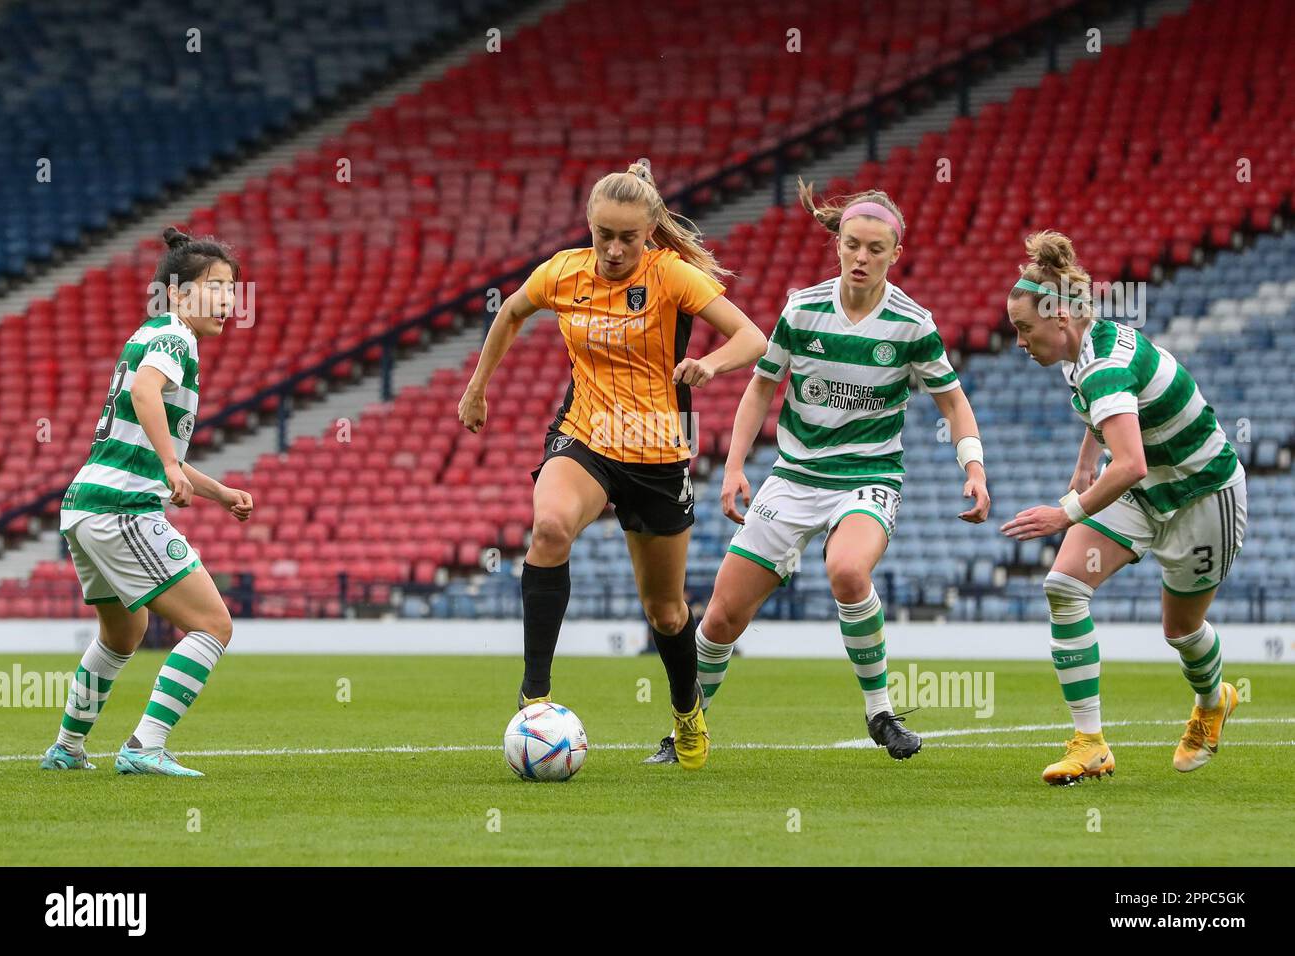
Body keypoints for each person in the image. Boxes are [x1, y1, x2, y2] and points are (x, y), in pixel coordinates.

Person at [645, 179, 991, 764]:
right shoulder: (802, 309)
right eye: (852, 244)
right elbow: (759, 389)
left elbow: (953, 403)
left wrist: (974, 467)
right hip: (793, 478)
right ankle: (686, 731)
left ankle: (880, 712)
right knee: (723, 616)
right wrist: (733, 469)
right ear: (838, 244)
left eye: (875, 249)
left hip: (868, 476)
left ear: (894, 255)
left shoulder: (913, 324)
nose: (861, 257)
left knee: (848, 570)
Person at [458, 159, 766, 770]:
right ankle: (535, 696)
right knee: (548, 530)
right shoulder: (562, 272)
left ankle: (686, 711)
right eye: (604, 234)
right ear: (589, 226)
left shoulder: (672, 275)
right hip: (586, 438)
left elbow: (752, 337)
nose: (615, 248)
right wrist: (477, 387)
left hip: (657, 453)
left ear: (650, 233)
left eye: (629, 237)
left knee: (666, 610)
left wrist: (711, 366)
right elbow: (512, 312)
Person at [1001, 231, 1245, 785]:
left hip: (1201, 493)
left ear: (1059, 317)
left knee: (1182, 631)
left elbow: (1131, 462)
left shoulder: (1101, 364)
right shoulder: (1082, 347)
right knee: (1064, 586)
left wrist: (1068, 510)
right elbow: (1108, 423)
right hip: (1143, 490)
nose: (1018, 342)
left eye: (1023, 329)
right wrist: (1087, 459)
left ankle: (1213, 701)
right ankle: (1090, 744)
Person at [41, 228, 254, 778]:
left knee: (123, 634)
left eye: (234, 289)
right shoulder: (174, 337)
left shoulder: (153, 332)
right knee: (214, 625)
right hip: (121, 507)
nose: (230, 300)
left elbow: (149, 432)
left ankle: (67, 747)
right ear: (178, 294)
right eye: (218, 287)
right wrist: (165, 468)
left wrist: (219, 492)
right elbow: (144, 393)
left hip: (84, 503)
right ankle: (144, 746)